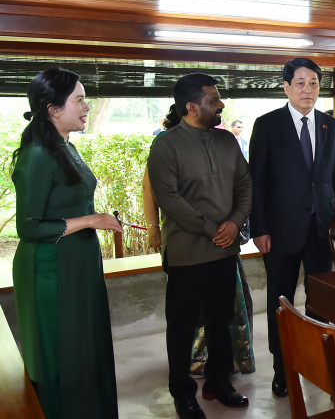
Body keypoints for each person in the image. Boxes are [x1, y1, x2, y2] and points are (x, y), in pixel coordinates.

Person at [11, 67, 122, 419]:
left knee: (86, 350)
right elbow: (29, 227)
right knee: (64, 355)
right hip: (51, 271)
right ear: (53, 109)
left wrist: (92, 220)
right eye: (79, 99)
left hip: (75, 264)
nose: (86, 106)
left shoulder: (62, 146)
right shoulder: (38, 154)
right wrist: (92, 220)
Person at [147, 73, 252, 419]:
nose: (220, 104)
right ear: (192, 107)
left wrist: (235, 222)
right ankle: (182, 393)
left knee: (221, 320)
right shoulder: (166, 145)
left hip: (224, 250)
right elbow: (170, 199)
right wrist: (213, 229)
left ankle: (218, 381)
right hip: (186, 254)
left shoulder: (227, 142)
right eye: (213, 100)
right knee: (183, 326)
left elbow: (245, 186)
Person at [248, 57, 335, 399]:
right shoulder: (267, 125)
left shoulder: (329, 126)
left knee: (320, 301)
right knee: (282, 301)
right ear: (287, 87)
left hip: (322, 228)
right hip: (279, 231)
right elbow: (256, 184)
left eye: (314, 83)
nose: (308, 89)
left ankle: (318, 362)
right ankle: (283, 368)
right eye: (301, 82)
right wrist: (259, 229)